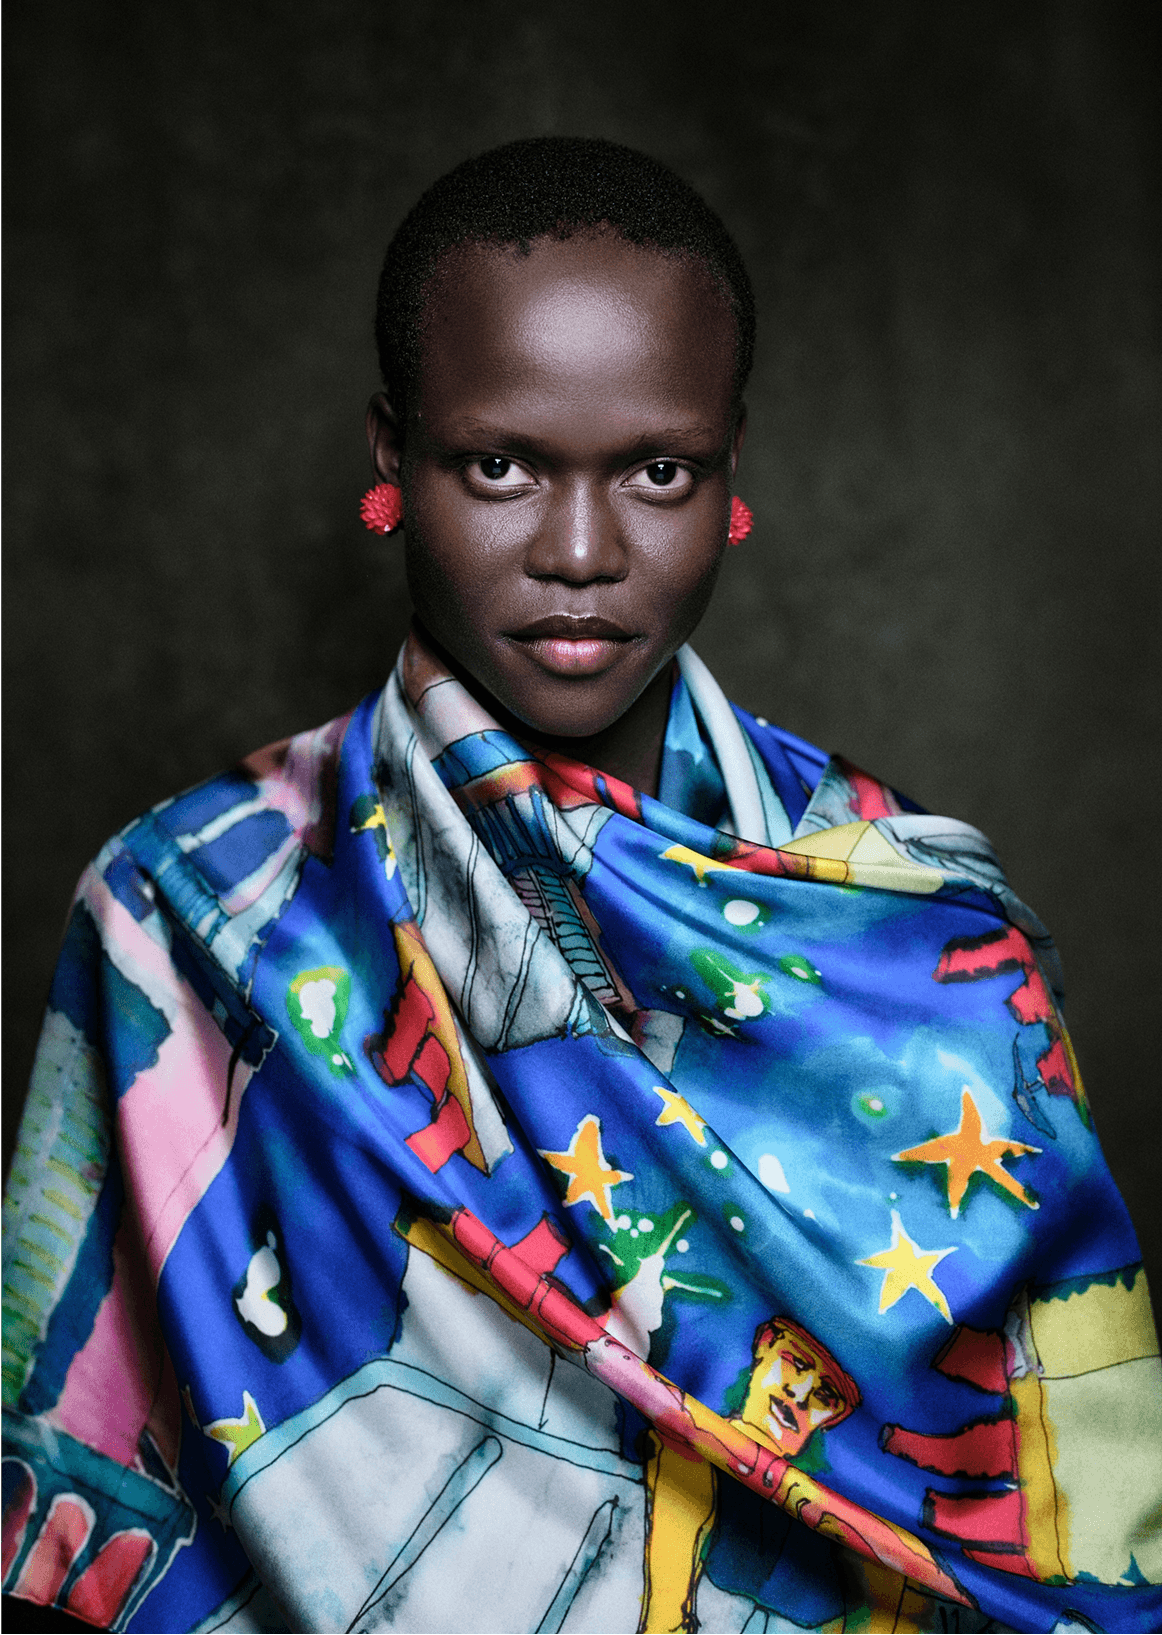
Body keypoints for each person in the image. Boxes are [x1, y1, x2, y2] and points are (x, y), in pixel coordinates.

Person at [1, 137, 1159, 1635]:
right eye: (500, 466)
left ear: (730, 474)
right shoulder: (183, 915)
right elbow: (77, 1499)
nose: (579, 550)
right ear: (390, 459)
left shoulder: (911, 931)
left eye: (657, 472)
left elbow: (1070, 1502)